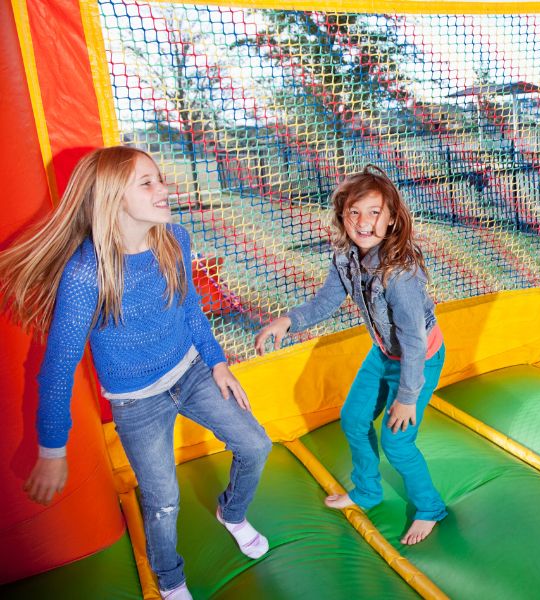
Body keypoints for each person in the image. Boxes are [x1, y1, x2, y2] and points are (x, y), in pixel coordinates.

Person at [0, 146, 272, 599]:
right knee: (163, 501)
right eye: (147, 182)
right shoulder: (89, 273)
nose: (163, 188)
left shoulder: (175, 239)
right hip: (137, 401)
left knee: (256, 443)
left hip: (190, 371)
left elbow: (191, 309)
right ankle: (170, 580)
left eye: (160, 178)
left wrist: (217, 362)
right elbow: (58, 370)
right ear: (112, 198)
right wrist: (52, 448)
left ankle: (232, 512)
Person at [254, 165, 447, 545]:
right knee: (354, 419)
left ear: (391, 219)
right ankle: (368, 490)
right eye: (354, 212)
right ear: (343, 216)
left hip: (417, 359)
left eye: (375, 212)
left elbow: (412, 339)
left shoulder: (400, 275)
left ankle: (429, 507)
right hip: (383, 353)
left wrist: (407, 399)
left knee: (397, 441)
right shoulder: (345, 258)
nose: (364, 222)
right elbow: (325, 302)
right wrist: (286, 321)